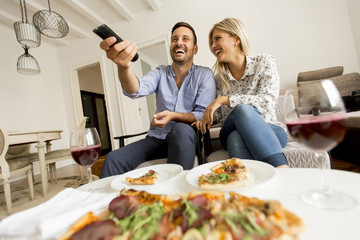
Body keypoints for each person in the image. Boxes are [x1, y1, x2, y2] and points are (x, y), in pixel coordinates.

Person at [99, 22, 216, 178]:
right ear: (171, 47)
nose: (179, 42)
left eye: (185, 39)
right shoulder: (160, 72)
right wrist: (124, 67)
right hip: (157, 139)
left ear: (195, 49)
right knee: (113, 159)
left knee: (180, 130)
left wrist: (174, 116)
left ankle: (175, 197)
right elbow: (135, 89)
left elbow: (203, 114)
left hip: (186, 139)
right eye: (174, 39)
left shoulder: (205, 74)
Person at [193, 18, 289, 168]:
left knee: (236, 136)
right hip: (229, 128)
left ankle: (246, 186)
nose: (213, 46)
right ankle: (282, 169)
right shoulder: (218, 79)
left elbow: (267, 101)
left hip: (270, 129)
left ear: (236, 39)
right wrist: (205, 117)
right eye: (211, 42)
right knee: (241, 111)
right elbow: (221, 115)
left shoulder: (264, 62)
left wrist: (224, 99)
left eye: (217, 38)